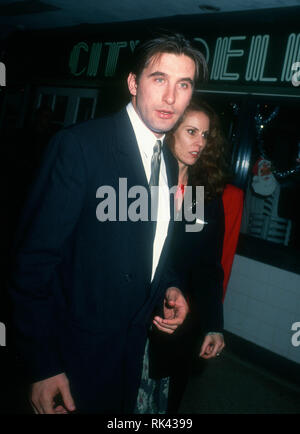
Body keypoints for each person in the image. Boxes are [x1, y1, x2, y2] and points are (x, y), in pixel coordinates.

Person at [8, 32, 208, 414]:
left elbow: (146, 245)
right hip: (71, 355)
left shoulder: (166, 162)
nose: (171, 98)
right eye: (159, 79)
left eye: (184, 84)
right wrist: (43, 364)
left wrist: (170, 287)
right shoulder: (79, 147)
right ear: (133, 82)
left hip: (129, 354)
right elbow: (31, 265)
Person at [147, 99, 229, 413]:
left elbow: (208, 267)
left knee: (167, 403)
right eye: (191, 131)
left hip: (179, 324)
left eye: (205, 135)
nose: (200, 142)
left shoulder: (202, 193)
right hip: (134, 316)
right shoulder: (144, 182)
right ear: (170, 132)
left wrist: (214, 325)